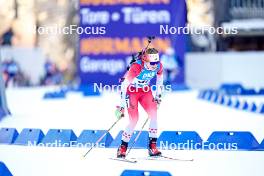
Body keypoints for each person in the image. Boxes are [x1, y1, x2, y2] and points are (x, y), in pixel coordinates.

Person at [115, 47, 163, 158]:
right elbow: (124, 85)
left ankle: (152, 147)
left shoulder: (159, 66)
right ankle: (122, 148)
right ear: (145, 60)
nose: (155, 65)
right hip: (131, 92)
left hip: (145, 91)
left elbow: (160, 80)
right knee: (134, 120)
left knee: (154, 116)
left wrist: (158, 96)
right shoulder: (137, 66)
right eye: (152, 63)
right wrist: (122, 105)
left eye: (156, 62)